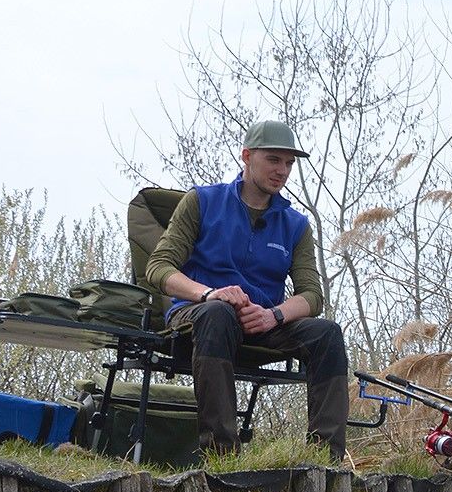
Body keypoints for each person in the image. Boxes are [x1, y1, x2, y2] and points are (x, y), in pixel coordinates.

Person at [145, 120, 350, 462]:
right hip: (198, 316)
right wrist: (209, 293)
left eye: (289, 163)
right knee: (218, 312)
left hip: (261, 326)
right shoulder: (202, 201)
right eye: (273, 160)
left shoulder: (296, 225)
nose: (282, 171)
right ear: (247, 156)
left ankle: (325, 461)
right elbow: (159, 268)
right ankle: (222, 455)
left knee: (327, 333)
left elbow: (312, 295)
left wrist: (275, 316)